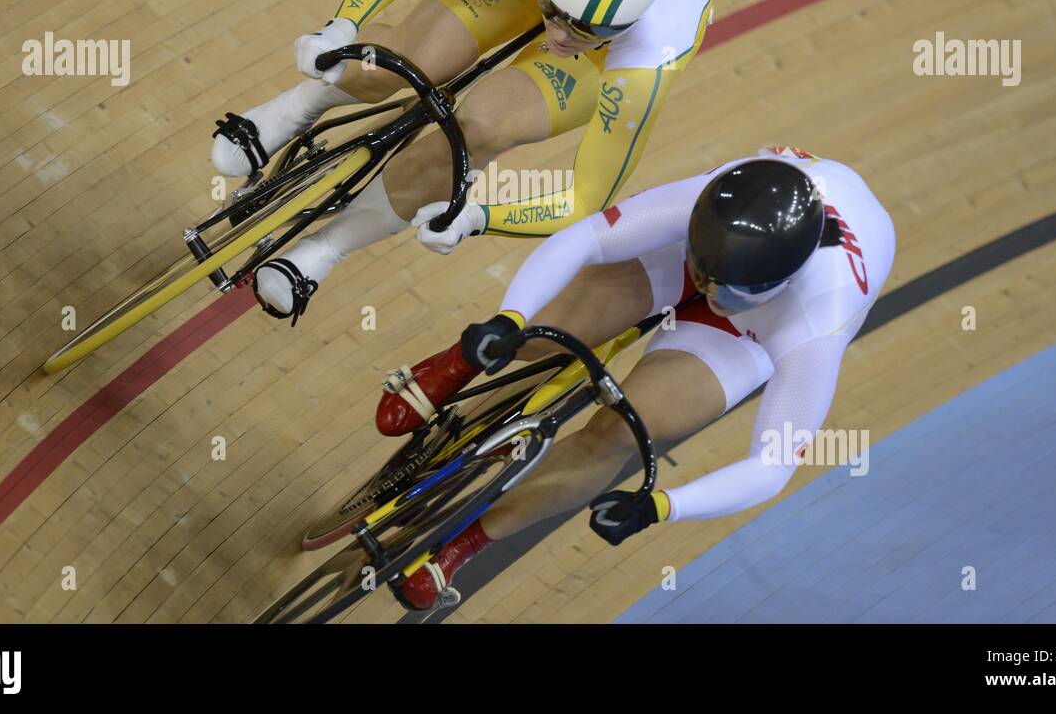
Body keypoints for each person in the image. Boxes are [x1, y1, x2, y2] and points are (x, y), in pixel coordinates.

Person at [377, 147, 896, 610]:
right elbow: (586, 240)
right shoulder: (710, 201)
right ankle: (459, 362)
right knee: (544, 332)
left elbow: (773, 464)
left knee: (622, 431)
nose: (712, 294)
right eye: (706, 275)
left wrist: (660, 506)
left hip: (755, 332)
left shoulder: (816, 326)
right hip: (703, 254)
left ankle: (464, 544)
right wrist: (508, 319)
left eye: (728, 292)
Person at [210, 0, 717, 322]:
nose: (558, 35)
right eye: (553, 13)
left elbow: (587, 198)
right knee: (412, 58)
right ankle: (296, 108)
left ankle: (323, 250)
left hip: (605, 59)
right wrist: (340, 25)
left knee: (478, 131)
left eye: (584, 30)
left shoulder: (647, 62)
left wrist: (478, 218)